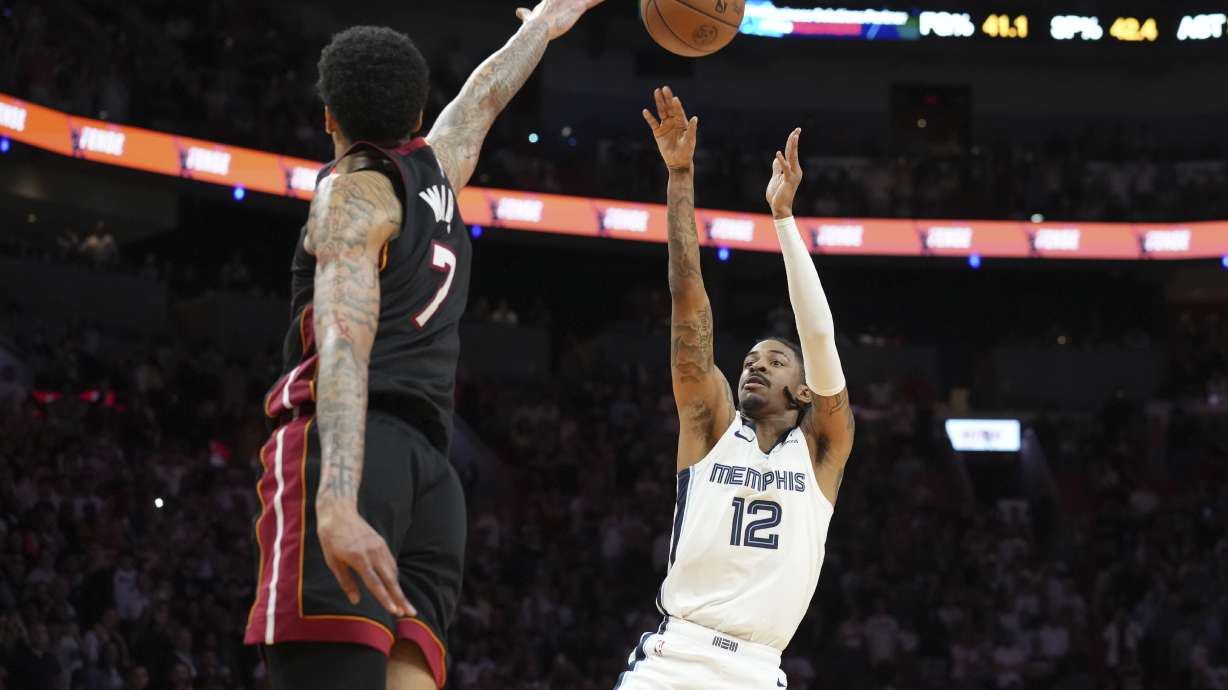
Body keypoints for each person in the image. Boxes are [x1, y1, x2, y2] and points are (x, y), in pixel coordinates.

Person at [242, 2, 604, 689]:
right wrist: (545, 24)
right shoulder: (437, 172)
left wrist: (337, 501)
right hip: (434, 484)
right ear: (416, 116)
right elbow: (485, 94)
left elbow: (345, 344)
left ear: (328, 117)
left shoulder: (352, 196)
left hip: (358, 457)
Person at [612, 88, 856, 689]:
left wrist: (783, 220)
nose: (754, 365)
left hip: (755, 671)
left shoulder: (823, 449)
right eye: (749, 359)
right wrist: (680, 175)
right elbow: (687, 296)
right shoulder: (711, 428)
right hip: (672, 659)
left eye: (774, 362)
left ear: (803, 395)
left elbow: (819, 339)